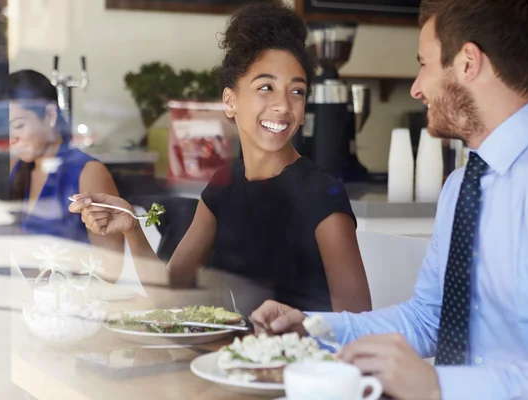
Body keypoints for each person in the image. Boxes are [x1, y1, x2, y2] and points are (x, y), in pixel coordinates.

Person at [250, 0, 528, 399]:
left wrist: (439, 386)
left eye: (425, 64)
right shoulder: (461, 185)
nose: (417, 88)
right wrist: (313, 329)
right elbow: (429, 317)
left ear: (468, 63)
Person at [69, 1, 372, 313]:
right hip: (222, 358)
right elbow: (167, 294)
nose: (283, 105)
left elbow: (357, 322)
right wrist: (133, 226)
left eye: (296, 91)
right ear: (230, 101)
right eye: (266, 87)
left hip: (294, 359)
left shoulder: (322, 194)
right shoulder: (223, 186)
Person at [7, 70, 124, 270]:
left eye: (18, 125)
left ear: (50, 115)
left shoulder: (88, 172)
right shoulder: (16, 168)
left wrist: (45, 257)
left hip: (72, 297)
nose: (11, 140)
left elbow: (111, 269)